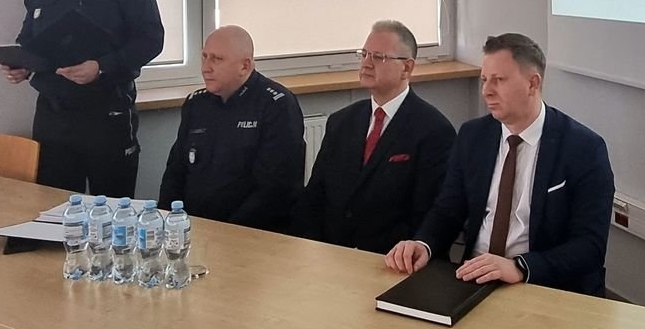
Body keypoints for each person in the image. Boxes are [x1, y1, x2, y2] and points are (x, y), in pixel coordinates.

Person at [385, 33, 615, 296]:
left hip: (542, 283)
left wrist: (520, 267)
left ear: (532, 83)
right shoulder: (473, 136)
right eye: (485, 80)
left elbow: (590, 245)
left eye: (499, 80)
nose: (486, 91)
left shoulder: (583, 148)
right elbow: (448, 210)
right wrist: (423, 244)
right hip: (474, 276)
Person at [2, 0, 163, 198]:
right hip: (53, 113)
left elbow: (151, 40)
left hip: (106, 111)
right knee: (54, 206)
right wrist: (21, 64)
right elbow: (28, 39)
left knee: (113, 207)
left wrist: (101, 67)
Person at [296, 20, 455, 253]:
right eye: (364, 54)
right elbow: (315, 196)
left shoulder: (434, 130)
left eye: (379, 57)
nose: (367, 64)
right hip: (331, 254)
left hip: (391, 258)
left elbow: (429, 214)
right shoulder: (341, 122)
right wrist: (312, 248)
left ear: (407, 68)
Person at [160, 26, 305, 231]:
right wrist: (169, 220)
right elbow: (175, 173)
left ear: (244, 66)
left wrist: (228, 232)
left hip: (251, 232)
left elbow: (275, 189)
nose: (205, 68)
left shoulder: (276, 105)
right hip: (195, 228)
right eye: (204, 57)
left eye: (217, 59)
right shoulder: (196, 104)